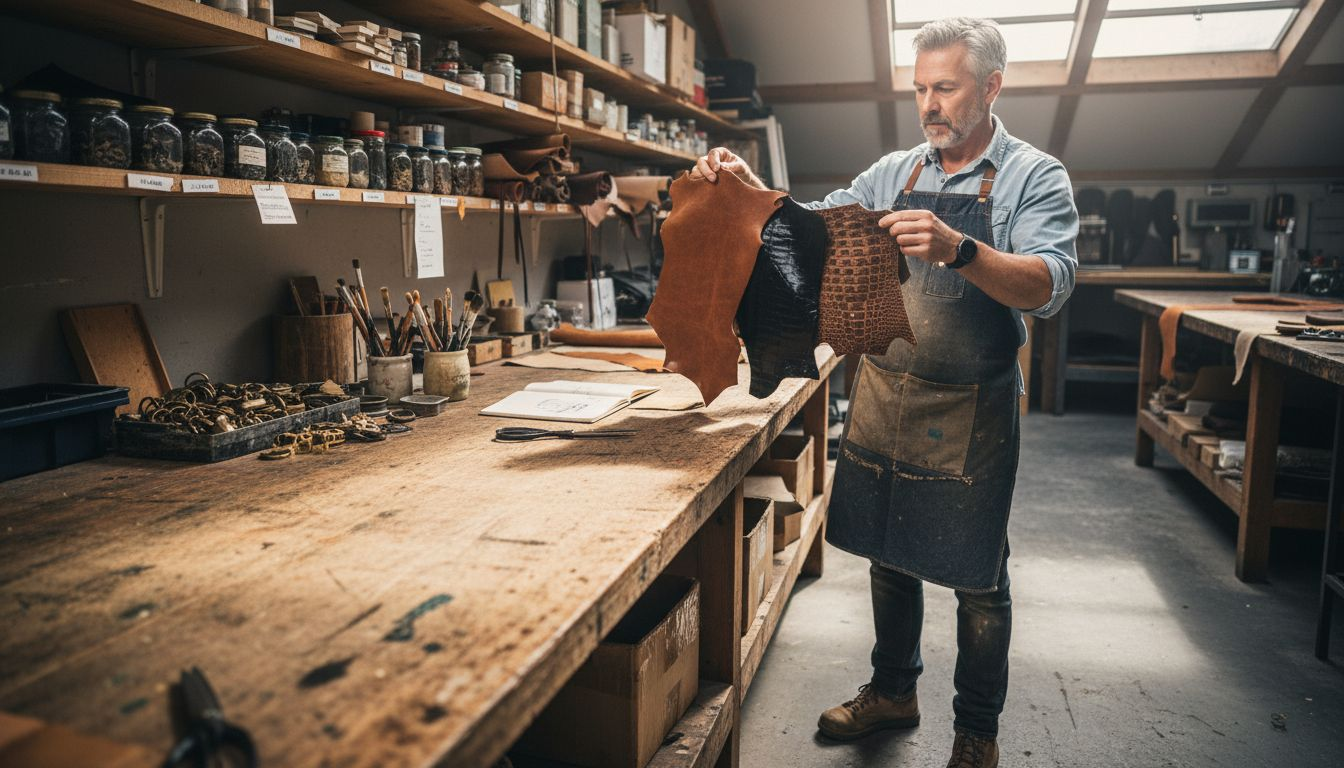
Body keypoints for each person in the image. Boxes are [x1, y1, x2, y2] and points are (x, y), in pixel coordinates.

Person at [692, 16, 1078, 768]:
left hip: (970, 405)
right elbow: (809, 227)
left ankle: (977, 731)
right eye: (920, 89)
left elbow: (1048, 286)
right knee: (888, 552)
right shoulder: (896, 172)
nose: (928, 104)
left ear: (992, 87)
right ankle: (893, 690)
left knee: (977, 574)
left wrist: (961, 248)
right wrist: (746, 189)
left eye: (946, 87)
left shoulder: (1036, 175)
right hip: (885, 388)